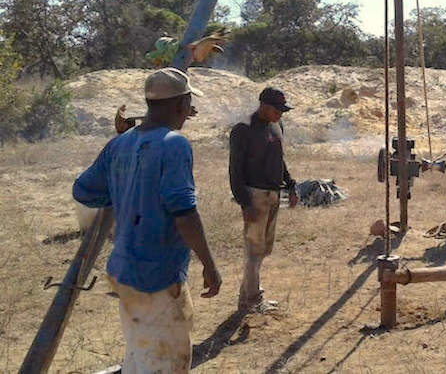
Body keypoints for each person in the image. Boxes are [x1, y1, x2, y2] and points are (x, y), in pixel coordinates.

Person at [73, 67, 221, 373]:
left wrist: (126, 193)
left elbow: (84, 190)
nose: (189, 109)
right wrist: (209, 264)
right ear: (180, 103)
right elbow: (184, 213)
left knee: (140, 352)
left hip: (124, 270)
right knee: (166, 361)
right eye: (189, 102)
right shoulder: (174, 144)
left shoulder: (119, 144)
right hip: (157, 277)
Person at [229, 87, 298, 313]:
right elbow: (235, 169)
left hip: (273, 194)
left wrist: (291, 184)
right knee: (254, 250)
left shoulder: (277, 126)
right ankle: (252, 300)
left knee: (264, 248)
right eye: (277, 110)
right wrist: (245, 203)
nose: (280, 114)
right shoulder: (243, 129)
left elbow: (279, 159)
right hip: (255, 195)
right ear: (264, 106)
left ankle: (247, 296)